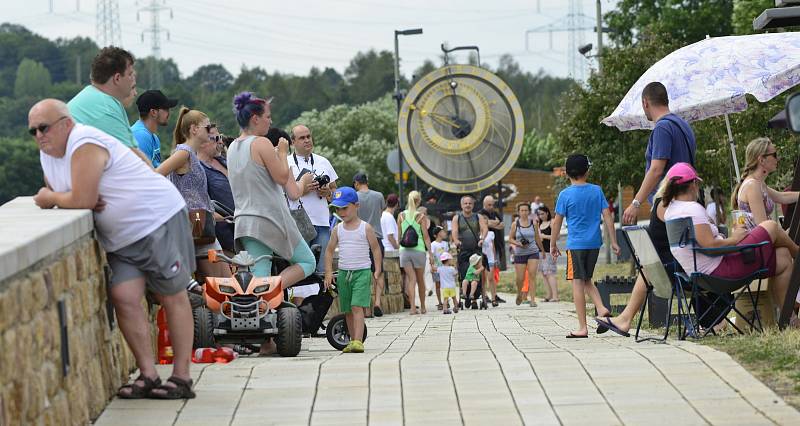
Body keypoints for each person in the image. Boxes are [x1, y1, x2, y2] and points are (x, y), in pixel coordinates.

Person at [30, 99, 196, 399]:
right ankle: (148, 374)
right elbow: (79, 195)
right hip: (122, 238)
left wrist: (50, 197)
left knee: (172, 294)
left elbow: (79, 198)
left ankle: (182, 377)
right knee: (124, 296)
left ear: (66, 123)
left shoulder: (83, 141)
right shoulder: (50, 155)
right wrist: (70, 195)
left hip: (156, 220)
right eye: (33, 131)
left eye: (44, 128)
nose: (38, 136)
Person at [226, 92, 316, 356]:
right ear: (255, 119)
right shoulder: (261, 144)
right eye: (267, 117)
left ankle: (266, 340)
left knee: (259, 276)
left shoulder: (233, 147)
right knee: (307, 262)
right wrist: (283, 152)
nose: (270, 121)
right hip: (269, 218)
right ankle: (267, 297)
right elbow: (280, 177)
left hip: (245, 219)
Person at [664, 163, 797, 318]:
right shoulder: (692, 209)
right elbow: (710, 245)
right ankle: (798, 254)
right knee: (771, 226)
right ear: (694, 184)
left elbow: (705, 245)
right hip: (722, 272)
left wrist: (730, 239)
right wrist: (734, 239)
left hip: (701, 276)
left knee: (782, 256)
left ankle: (789, 319)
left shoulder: (671, 211)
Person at [155, 109, 230, 281]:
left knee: (223, 284)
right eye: (207, 126)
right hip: (196, 225)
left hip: (200, 224)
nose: (210, 130)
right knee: (221, 285)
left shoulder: (190, 154)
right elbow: (156, 175)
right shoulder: (184, 153)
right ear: (194, 129)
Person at [551, 154, 620, 338]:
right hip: (594, 243)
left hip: (576, 245)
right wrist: (613, 241)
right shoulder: (596, 191)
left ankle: (582, 327)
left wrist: (552, 244)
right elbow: (608, 217)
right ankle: (601, 308)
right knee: (586, 278)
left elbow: (556, 223)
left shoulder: (565, 195)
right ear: (587, 171)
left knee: (577, 282)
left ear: (567, 174)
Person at [622, 81, 697, 225]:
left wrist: (636, 203)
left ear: (645, 103)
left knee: (661, 247)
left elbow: (656, 169)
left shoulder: (662, 128)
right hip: (688, 200)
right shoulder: (684, 125)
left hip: (668, 205)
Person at [67, 46, 152, 165]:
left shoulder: (89, 97)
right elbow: (136, 163)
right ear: (117, 78)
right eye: (130, 74)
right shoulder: (105, 108)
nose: (134, 78)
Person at [324, 187, 383, 353]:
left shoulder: (366, 228)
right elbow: (329, 251)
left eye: (345, 208)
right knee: (348, 309)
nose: (341, 212)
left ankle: (358, 341)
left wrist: (377, 269)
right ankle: (351, 340)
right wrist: (328, 272)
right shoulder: (337, 230)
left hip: (362, 272)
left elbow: (376, 249)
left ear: (356, 205)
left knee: (357, 306)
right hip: (344, 273)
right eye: (338, 208)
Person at [288, 124, 338, 273]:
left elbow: (335, 192)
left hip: (322, 223)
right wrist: (300, 189)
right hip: (297, 223)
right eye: (302, 138)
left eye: (309, 136)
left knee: (322, 270)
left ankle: (320, 297)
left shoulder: (323, 161)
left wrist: (327, 192)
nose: (307, 140)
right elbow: (280, 193)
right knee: (299, 270)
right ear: (293, 142)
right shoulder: (285, 162)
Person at [733, 137, 800, 230]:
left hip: (763, 239)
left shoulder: (759, 184)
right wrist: (786, 234)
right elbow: (764, 227)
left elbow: (782, 197)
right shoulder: (752, 186)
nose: (778, 158)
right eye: (774, 155)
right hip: (759, 243)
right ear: (761, 160)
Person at [353, 172, 387, 317]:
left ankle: (366, 309)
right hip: (377, 237)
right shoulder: (378, 196)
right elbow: (381, 212)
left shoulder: (355, 197)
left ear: (356, 183)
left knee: (363, 274)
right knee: (378, 272)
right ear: (367, 181)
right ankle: (378, 302)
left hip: (360, 239)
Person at [197, 125, 235, 254]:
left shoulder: (224, 160)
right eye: (216, 138)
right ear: (202, 142)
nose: (221, 141)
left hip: (243, 229)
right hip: (224, 237)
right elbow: (203, 207)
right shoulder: (198, 169)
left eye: (221, 137)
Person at [398, 190, 434, 315]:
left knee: (411, 279)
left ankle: (413, 308)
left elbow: (399, 236)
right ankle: (423, 307)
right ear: (418, 201)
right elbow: (426, 236)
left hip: (404, 251)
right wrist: (431, 254)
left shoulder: (401, 215)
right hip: (418, 251)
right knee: (420, 279)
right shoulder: (421, 216)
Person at [509, 203, 544, 306]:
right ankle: (519, 293)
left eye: (526, 210)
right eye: (522, 210)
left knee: (532, 275)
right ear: (518, 212)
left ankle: (532, 300)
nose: (524, 212)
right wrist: (518, 243)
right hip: (520, 253)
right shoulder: (515, 224)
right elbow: (510, 239)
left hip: (533, 251)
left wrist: (542, 250)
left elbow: (537, 237)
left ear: (529, 211)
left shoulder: (534, 223)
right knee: (520, 278)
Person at [132, 89, 178, 168]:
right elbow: (142, 175)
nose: (169, 112)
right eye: (166, 108)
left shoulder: (153, 137)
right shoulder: (140, 135)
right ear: (153, 112)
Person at [451, 195, 488, 291]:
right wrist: (456, 240)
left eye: (470, 203)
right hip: (463, 249)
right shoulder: (457, 218)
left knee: (476, 273)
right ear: (461, 205)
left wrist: (482, 238)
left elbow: (484, 228)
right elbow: (454, 231)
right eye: (465, 203)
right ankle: (465, 293)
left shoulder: (478, 216)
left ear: (473, 205)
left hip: (476, 249)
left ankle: (475, 297)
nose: (468, 205)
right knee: (464, 272)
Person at [478, 195, 506, 303]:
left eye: (492, 205)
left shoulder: (495, 213)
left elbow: (502, 225)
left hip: (496, 245)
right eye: (489, 205)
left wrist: (491, 223)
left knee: (494, 272)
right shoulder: (481, 213)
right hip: (485, 248)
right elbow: (486, 224)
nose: (491, 207)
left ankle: (494, 294)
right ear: (484, 204)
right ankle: (485, 295)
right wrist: (494, 223)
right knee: (484, 274)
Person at [536, 206, 559, 302]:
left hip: (549, 251)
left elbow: (556, 237)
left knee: (550, 273)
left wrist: (544, 236)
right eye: (539, 214)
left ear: (547, 213)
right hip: (540, 252)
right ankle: (548, 295)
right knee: (543, 274)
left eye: (542, 214)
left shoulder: (552, 222)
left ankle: (555, 296)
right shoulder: (539, 224)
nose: (541, 216)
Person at [430, 226, 449, 310]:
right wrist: (432, 266)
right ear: (437, 234)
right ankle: (440, 302)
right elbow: (431, 256)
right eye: (442, 232)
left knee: (446, 285)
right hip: (437, 268)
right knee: (438, 285)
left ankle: (446, 301)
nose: (444, 233)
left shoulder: (445, 244)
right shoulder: (433, 244)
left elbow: (447, 255)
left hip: (445, 268)